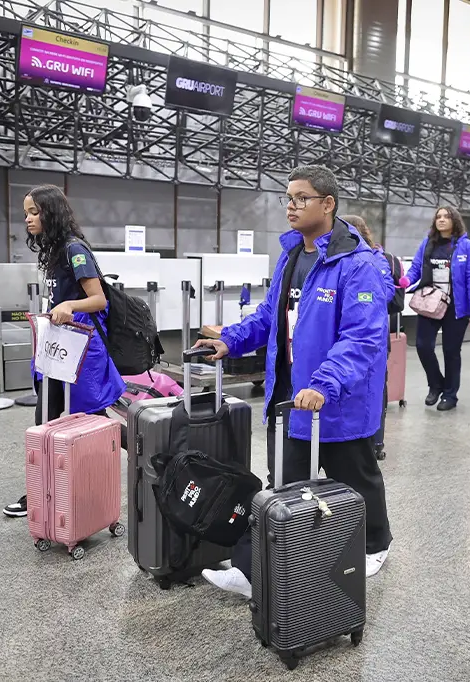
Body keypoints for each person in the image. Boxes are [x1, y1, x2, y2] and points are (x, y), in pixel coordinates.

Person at [193, 165, 393, 598]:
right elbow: (269, 317)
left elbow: (363, 338)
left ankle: (376, 544)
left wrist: (325, 383)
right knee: (281, 488)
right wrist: (230, 341)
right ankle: (254, 570)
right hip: (290, 395)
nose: (291, 206)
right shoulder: (291, 256)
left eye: (302, 198)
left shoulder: (359, 265)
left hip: (333, 400)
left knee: (357, 477)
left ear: (328, 204)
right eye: (288, 198)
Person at [3, 185, 125, 518]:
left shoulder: (74, 250)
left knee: (93, 416)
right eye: (26, 212)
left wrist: (68, 304)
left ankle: (155, 455)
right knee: (47, 417)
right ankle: (39, 492)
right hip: (59, 349)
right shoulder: (55, 250)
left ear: (51, 212)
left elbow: (98, 299)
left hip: (80, 351)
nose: (27, 219)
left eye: (33, 212)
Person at [405, 206, 470, 412]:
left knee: (451, 351)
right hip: (430, 302)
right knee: (422, 345)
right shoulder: (427, 243)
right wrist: (406, 280)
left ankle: (450, 395)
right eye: (438, 217)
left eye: (446, 216)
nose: (441, 220)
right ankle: (436, 384)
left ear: (454, 221)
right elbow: (415, 268)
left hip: (456, 308)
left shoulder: (466, 247)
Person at [341, 214, 403, 461]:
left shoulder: (380, 260)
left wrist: (362, 294)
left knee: (374, 389)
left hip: (374, 339)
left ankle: (376, 441)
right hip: (342, 336)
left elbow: (391, 296)